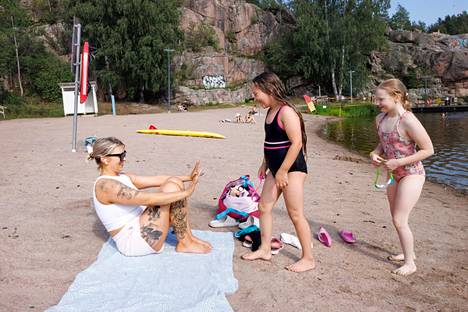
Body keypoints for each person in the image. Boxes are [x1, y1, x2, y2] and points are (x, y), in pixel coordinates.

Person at [241, 72, 315, 273]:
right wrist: (264, 164)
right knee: (264, 207)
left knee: (295, 213)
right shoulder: (270, 111)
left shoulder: (286, 112)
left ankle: (308, 258)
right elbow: (271, 143)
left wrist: (282, 171)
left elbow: (296, 143)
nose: (255, 98)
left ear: (270, 90)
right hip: (276, 169)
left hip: (292, 169)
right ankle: (265, 249)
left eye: (257, 94)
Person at [89, 137, 212, 256]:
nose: (124, 159)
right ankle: (186, 243)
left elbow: (158, 179)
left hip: (142, 226)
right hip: (134, 242)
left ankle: (187, 239)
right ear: (105, 159)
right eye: (120, 156)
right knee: (172, 189)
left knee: (175, 182)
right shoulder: (105, 186)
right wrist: (186, 192)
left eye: (124, 154)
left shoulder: (121, 177)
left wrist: (188, 178)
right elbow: (148, 199)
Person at [370, 79, 434, 276]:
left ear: (396, 96)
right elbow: (384, 143)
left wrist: (398, 162)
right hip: (393, 174)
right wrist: (375, 152)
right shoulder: (380, 119)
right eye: (376, 99)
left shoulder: (408, 120)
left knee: (399, 219)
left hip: (412, 174)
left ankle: (410, 264)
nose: (377, 103)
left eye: (381, 99)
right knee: (397, 218)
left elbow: (428, 150)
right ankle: (409, 254)